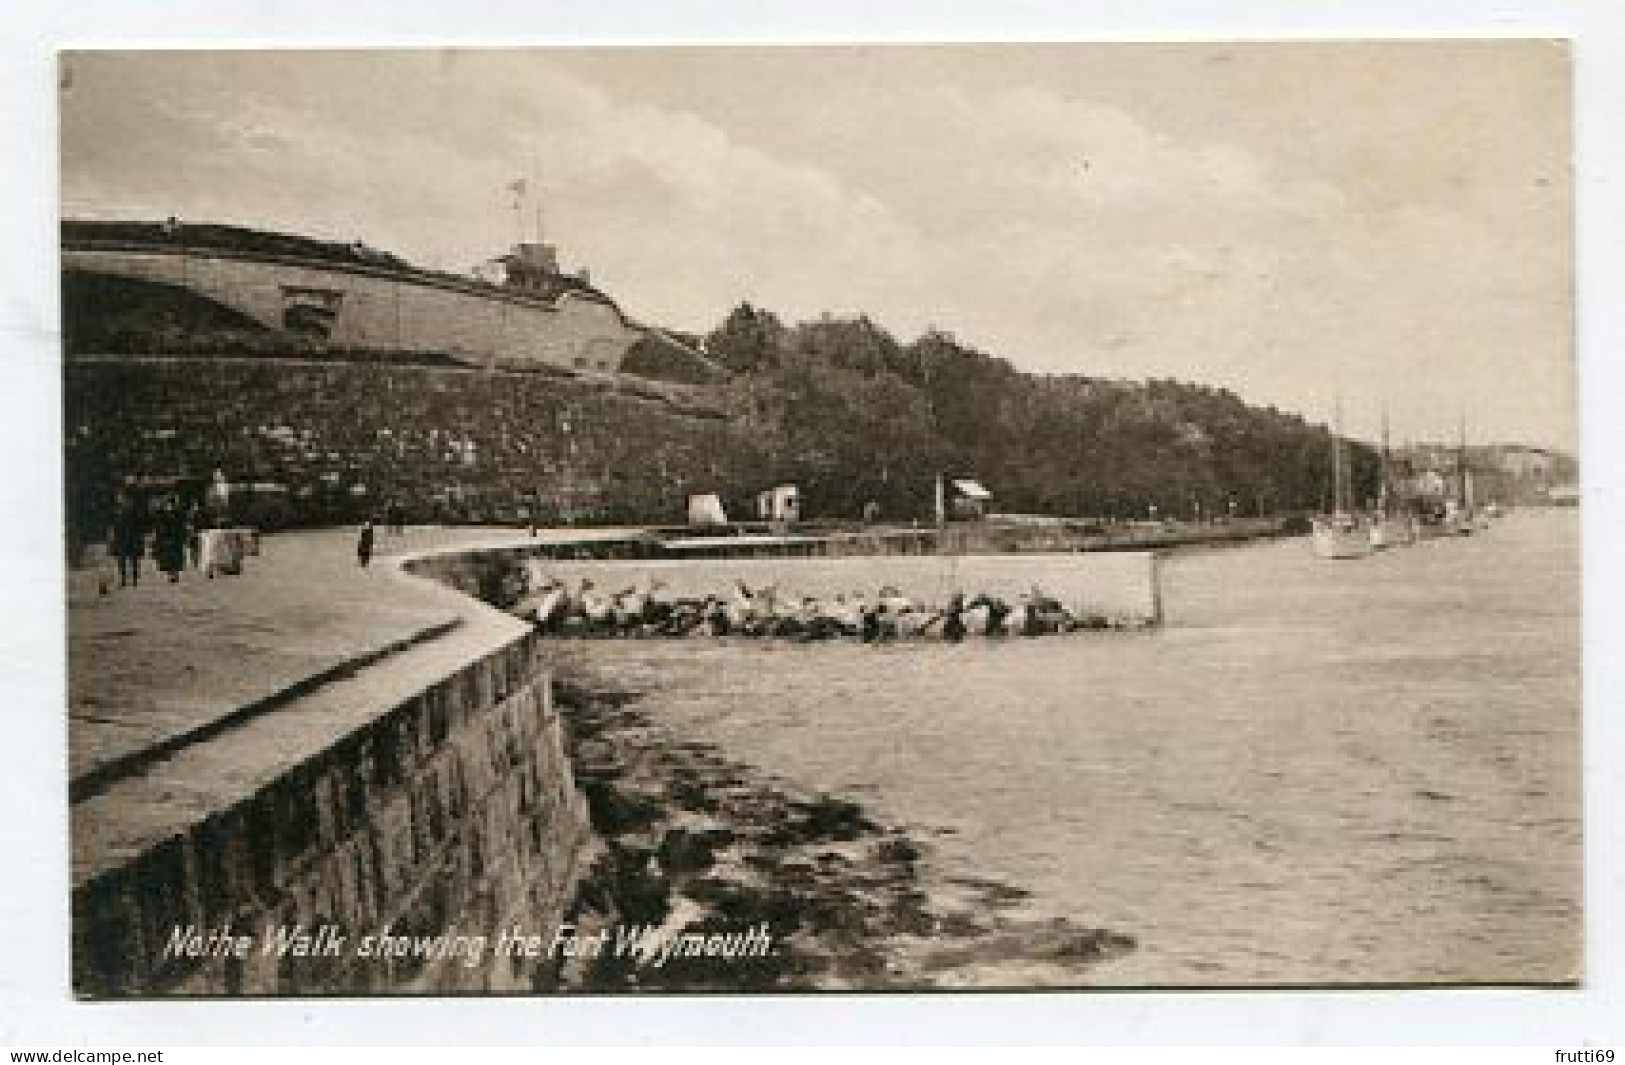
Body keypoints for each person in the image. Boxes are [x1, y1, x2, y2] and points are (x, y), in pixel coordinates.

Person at [109, 491, 146, 588]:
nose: (121, 500)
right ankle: (123, 579)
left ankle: (134, 579)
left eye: (122, 498)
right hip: (120, 538)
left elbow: (140, 524)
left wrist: (139, 536)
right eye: (119, 498)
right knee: (121, 559)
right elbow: (113, 524)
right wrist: (112, 535)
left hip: (132, 537)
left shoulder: (134, 511)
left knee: (133, 559)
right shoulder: (116, 511)